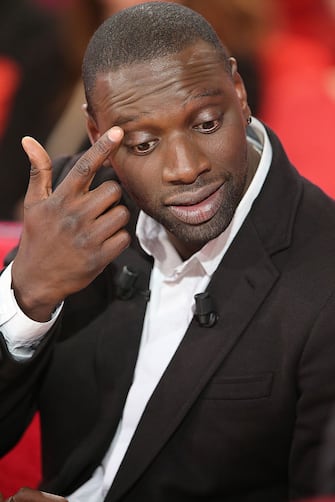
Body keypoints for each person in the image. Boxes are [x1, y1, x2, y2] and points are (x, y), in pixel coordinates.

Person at [1, 2, 335, 501]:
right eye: (141, 144)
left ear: (239, 93)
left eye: (205, 124)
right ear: (98, 135)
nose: (184, 168)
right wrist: (28, 293)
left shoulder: (325, 270)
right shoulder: (75, 214)